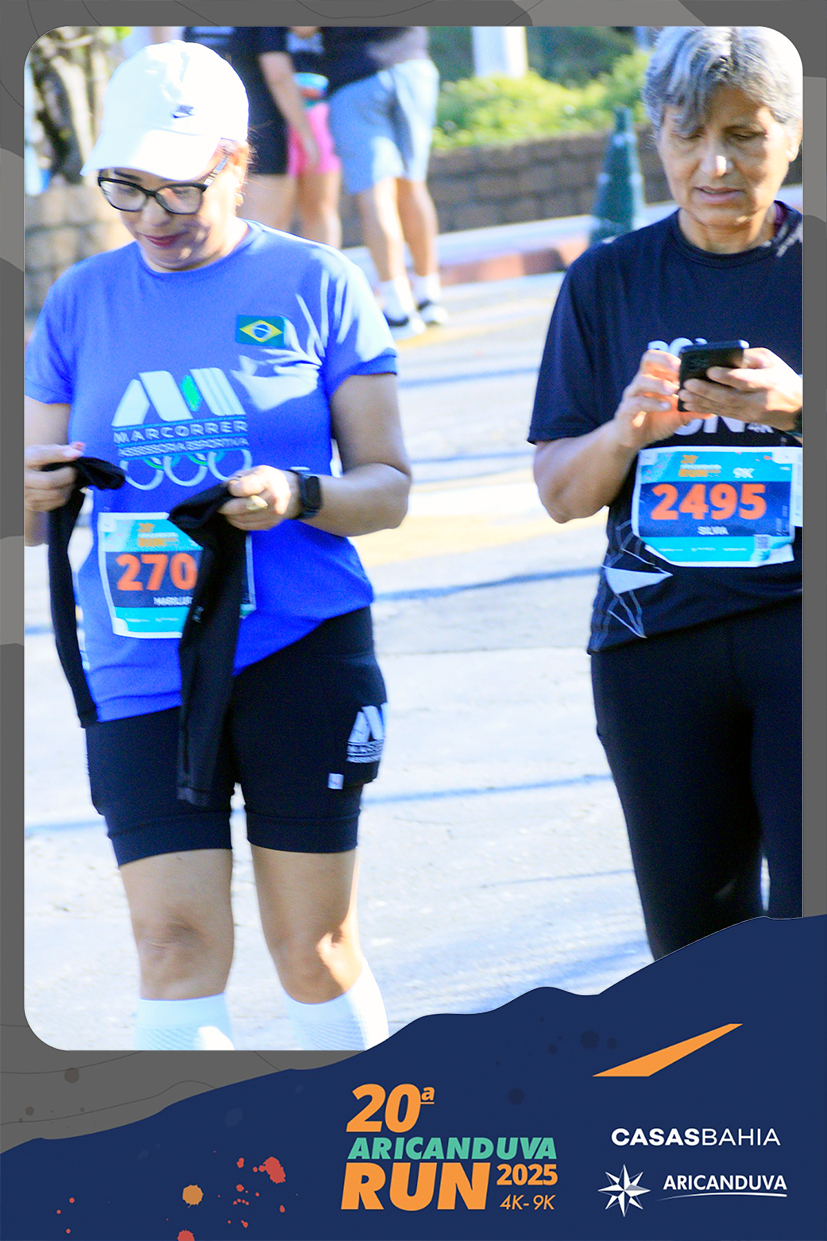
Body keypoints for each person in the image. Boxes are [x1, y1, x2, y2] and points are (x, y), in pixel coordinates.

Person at [24, 41, 411, 1051]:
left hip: (299, 645)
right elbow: (25, 503)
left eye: (179, 189)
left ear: (238, 162)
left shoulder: (316, 280)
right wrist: (34, 489)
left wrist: (300, 493)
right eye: (126, 187)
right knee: (171, 944)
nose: (152, 215)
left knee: (311, 946)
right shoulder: (79, 301)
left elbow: (388, 487)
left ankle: (364, 1137)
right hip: (140, 657)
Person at [529, 26, 803, 960]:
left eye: (744, 135)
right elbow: (560, 494)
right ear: (656, 136)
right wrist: (623, 433)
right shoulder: (605, 281)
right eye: (687, 136)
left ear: (793, 134)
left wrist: (797, 407)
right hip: (655, 650)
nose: (713, 165)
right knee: (693, 959)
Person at [321, 26, 448, 338]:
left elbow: (302, 27)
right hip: (412, 64)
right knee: (413, 184)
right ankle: (428, 296)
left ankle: (398, 308)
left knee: (375, 193)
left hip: (354, 75)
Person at [184, 26, 320, 233]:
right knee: (262, 228)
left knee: (213, 230)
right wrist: (305, 134)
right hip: (259, 129)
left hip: (197, 130)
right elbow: (278, 75)